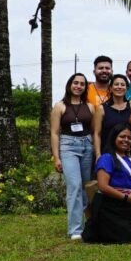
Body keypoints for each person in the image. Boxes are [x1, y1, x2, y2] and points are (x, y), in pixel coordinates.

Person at [50, 73, 100, 240]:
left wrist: (95, 150)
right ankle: (75, 230)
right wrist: (56, 157)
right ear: (69, 85)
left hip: (86, 145)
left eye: (82, 84)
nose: (78, 86)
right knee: (74, 186)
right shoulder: (60, 106)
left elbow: (93, 131)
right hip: (68, 146)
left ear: (86, 87)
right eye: (75, 83)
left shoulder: (90, 106)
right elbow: (55, 133)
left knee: (86, 187)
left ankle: (90, 224)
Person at [82, 123, 131, 244]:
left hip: (129, 207)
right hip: (111, 205)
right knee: (123, 237)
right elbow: (103, 186)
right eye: (122, 137)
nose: (126, 140)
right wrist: (125, 197)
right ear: (114, 138)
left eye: (129, 138)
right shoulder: (107, 158)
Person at [96, 74, 131, 159]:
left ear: (126, 88)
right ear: (110, 88)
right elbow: (96, 133)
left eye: (122, 85)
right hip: (107, 153)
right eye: (116, 84)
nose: (119, 87)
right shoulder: (102, 108)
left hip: (127, 154)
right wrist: (98, 154)